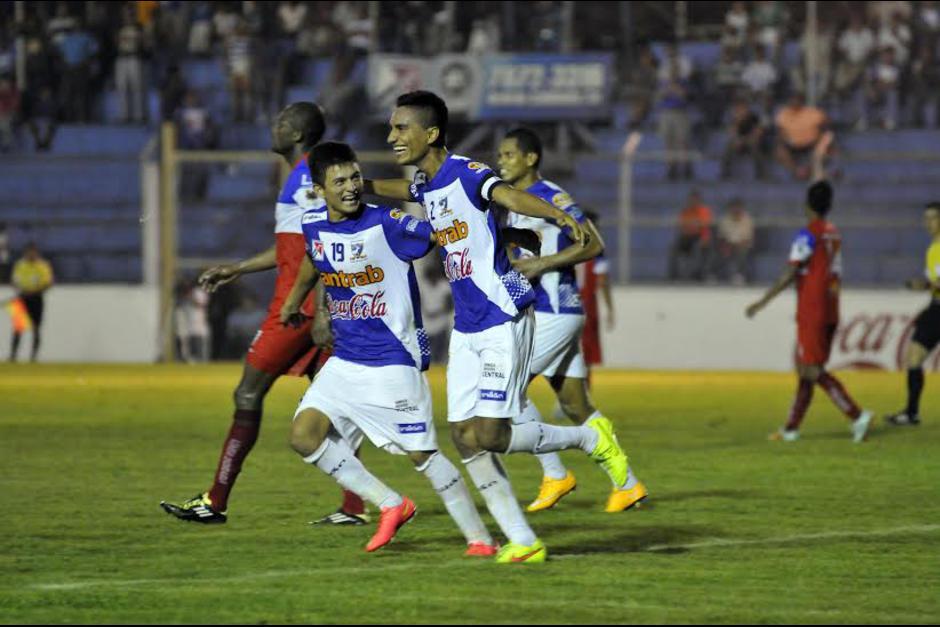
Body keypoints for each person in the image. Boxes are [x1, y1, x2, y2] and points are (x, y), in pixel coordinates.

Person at [366, 90, 630, 564]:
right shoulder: (428, 184)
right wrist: (361, 185)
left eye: (401, 127)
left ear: (430, 133)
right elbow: (405, 191)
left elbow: (503, 194)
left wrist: (557, 214)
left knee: (490, 434)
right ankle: (523, 541)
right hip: (467, 325)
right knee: (464, 438)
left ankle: (589, 438)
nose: (392, 136)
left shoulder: (467, 171)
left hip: (502, 315)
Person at [279, 141, 498, 556]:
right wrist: (297, 301)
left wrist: (492, 241)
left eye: (355, 177)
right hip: (345, 361)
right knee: (304, 435)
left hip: (392, 361)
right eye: (339, 181)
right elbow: (316, 255)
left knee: (422, 454)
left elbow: (446, 234)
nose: (351, 187)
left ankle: (481, 539)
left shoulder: (390, 223)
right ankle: (392, 504)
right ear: (319, 189)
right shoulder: (312, 223)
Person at [161, 102, 366, 526]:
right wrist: (237, 268)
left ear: (297, 134)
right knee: (336, 406)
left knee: (248, 393)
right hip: (311, 305)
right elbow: (294, 246)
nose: (274, 127)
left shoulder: (311, 175)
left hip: (299, 309)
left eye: (281, 121)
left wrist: (322, 311)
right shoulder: (297, 176)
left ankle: (215, 500)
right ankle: (355, 505)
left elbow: (326, 243)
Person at [497, 127, 648, 514]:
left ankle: (554, 473)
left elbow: (593, 243)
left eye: (510, 154)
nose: (502, 161)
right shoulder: (513, 203)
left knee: (506, 390)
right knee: (576, 404)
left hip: (555, 311)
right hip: (546, 311)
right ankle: (627, 485)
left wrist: (543, 263)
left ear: (531, 158)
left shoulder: (553, 196)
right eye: (500, 155)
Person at [746, 181, 873, 442]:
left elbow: (790, 272)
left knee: (812, 370)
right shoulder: (833, 233)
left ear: (806, 205)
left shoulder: (808, 235)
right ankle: (791, 428)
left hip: (812, 309)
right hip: (831, 307)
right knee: (807, 368)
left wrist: (761, 302)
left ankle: (856, 414)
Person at [886, 202, 940, 426]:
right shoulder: (933, 249)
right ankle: (911, 412)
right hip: (936, 307)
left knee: (914, 357)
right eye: (926, 218)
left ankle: (911, 412)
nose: (928, 223)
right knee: (913, 357)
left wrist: (924, 285)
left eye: (933, 218)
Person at [10, 243, 53, 363]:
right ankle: (13, 355)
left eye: (33, 252)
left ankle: (33, 357)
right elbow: (14, 281)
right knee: (18, 328)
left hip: (36, 299)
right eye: (29, 252)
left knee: (36, 328)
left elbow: (48, 283)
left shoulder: (43, 266)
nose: (31, 254)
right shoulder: (20, 265)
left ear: (37, 253)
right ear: (25, 253)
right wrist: (21, 290)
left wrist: (33, 292)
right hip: (22, 298)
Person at [774, 92, 830, 181]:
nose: (794, 102)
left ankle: (811, 171)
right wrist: (784, 141)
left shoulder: (813, 113)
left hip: (811, 144)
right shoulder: (783, 113)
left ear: (802, 101)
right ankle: (796, 171)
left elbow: (826, 128)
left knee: (824, 146)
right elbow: (780, 132)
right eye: (792, 100)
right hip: (791, 144)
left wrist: (819, 140)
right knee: (780, 151)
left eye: (797, 100)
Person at [668, 190, 714, 281]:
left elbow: (705, 227)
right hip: (687, 237)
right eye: (691, 200)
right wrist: (691, 227)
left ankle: (697, 275)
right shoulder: (685, 212)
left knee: (698, 248)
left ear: (699, 201)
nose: (693, 202)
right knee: (674, 248)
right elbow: (682, 227)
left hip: (700, 237)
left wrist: (703, 237)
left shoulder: (704, 211)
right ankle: (674, 276)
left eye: (695, 200)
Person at [721, 98, 767, 180]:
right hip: (737, 141)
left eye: (743, 109)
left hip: (750, 140)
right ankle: (725, 172)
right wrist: (737, 121)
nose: (741, 111)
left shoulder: (754, 117)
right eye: (739, 109)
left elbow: (759, 131)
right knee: (728, 147)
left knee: (755, 147)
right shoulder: (733, 118)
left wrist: (749, 139)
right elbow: (731, 132)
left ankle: (761, 173)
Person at [716, 198, 755, 284]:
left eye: (738, 207)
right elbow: (721, 237)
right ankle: (715, 275)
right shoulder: (725, 219)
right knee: (716, 250)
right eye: (734, 207)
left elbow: (748, 238)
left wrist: (738, 245)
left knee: (741, 251)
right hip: (728, 245)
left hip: (742, 245)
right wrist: (726, 245)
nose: (736, 210)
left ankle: (739, 275)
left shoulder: (747, 220)